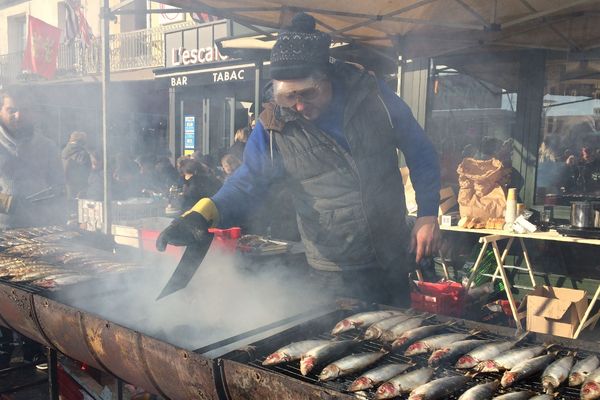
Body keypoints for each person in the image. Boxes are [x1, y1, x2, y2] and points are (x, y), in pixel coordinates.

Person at [156, 13, 441, 306]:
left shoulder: (372, 96)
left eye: (308, 93)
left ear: (326, 76)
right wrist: (204, 212)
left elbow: (420, 150)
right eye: (288, 96)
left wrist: (428, 214)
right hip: (332, 267)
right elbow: (246, 182)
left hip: (390, 256)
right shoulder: (273, 125)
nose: (300, 105)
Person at [0, 87, 65, 368]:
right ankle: (3, 348)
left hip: (38, 228)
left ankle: (34, 348)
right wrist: (7, 201)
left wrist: (58, 205)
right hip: (2, 230)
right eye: (11, 109)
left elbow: (59, 186)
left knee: (36, 288)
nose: (18, 115)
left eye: (23, 109)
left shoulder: (47, 145)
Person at [62, 131, 91, 204]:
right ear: (82, 142)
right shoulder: (82, 154)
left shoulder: (64, 151)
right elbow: (87, 171)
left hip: (67, 185)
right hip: (80, 187)